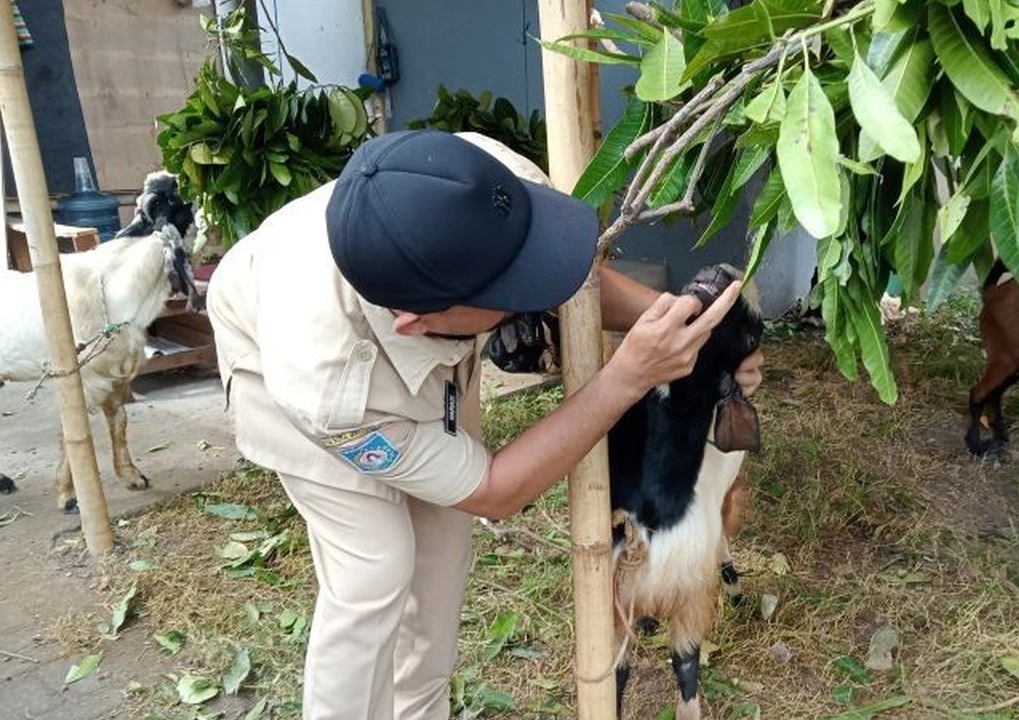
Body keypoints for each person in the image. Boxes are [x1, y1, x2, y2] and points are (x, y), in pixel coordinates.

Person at [206, 130, 763, 720]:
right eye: (513, 285)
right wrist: (625, 377)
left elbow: (574, 281)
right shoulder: (326, 390)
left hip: (417, 340)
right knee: (374, 567)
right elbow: (494, 491)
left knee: (441, 555)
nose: (536, 289)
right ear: (423, 322)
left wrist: (692, 330)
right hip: (290, 370)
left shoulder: (484, 176)